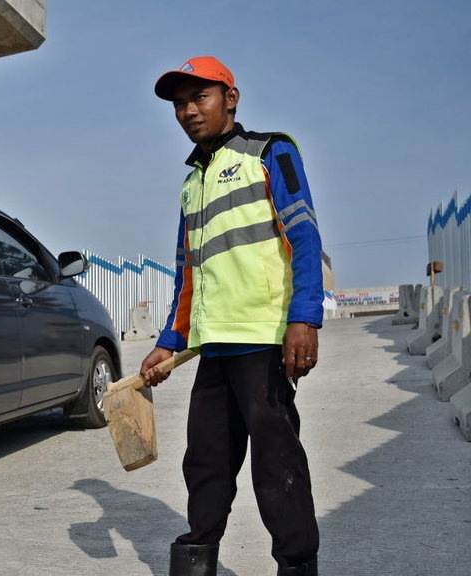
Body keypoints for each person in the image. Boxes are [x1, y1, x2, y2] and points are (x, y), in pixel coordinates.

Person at [141, 56, 322, 576]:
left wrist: (303, 318)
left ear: (231, 98)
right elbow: (188, 273)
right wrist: (171, 340)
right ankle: (198, 558)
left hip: (264, 343)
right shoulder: (190, 184)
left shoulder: (269, 152)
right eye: (180, 104)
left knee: (277, 467)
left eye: (200, 97)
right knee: (205, 466)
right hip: (213, 349)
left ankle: (297, 564)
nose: (188, 111)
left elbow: (304, 234)